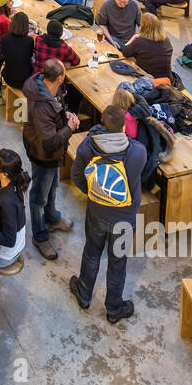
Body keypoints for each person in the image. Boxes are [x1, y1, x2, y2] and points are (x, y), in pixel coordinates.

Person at [68, 105, 146, 323]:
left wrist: (93, 193)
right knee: (118, 262)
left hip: (96, 211)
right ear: (124, 126)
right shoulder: (137, 151)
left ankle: (84, 293)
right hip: (125, 217)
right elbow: (142, 175)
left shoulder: (88, 146)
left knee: (92, 252)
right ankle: (114, 308)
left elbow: (76, 175)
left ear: (102, 123)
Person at [22, 57, 78, 260]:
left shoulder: (47, 89)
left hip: (51, 153)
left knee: (52, 185)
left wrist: (66, 116)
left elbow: (56, 112)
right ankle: (40, 235)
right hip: (42, 153)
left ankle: (52, 217)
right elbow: (50, 142)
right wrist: (69, 128)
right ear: (60, 78)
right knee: (38, 195)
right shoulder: (41, 105)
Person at [120, 12, 174, 82]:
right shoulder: (166, 39)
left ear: (143, 26)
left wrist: (133, 37)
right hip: (167, 79)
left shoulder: (140, 41)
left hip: (150, 80)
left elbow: (125, 52)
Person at [0, 11, 36, 92]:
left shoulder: (4, 38)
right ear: (26, 26)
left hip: (8, 76)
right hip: (24, 80)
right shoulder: (29, 41)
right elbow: (29, 57)